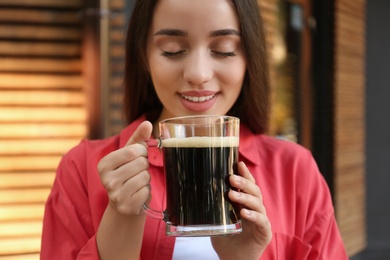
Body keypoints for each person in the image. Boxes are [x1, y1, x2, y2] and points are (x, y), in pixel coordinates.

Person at [40, 0, 348, 259]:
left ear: (249, 58)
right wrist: (120, 222)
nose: (198, 74)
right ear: (144, 57)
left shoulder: (295, 171)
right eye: (172, 50)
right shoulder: (81, 169)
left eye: (225, 49)